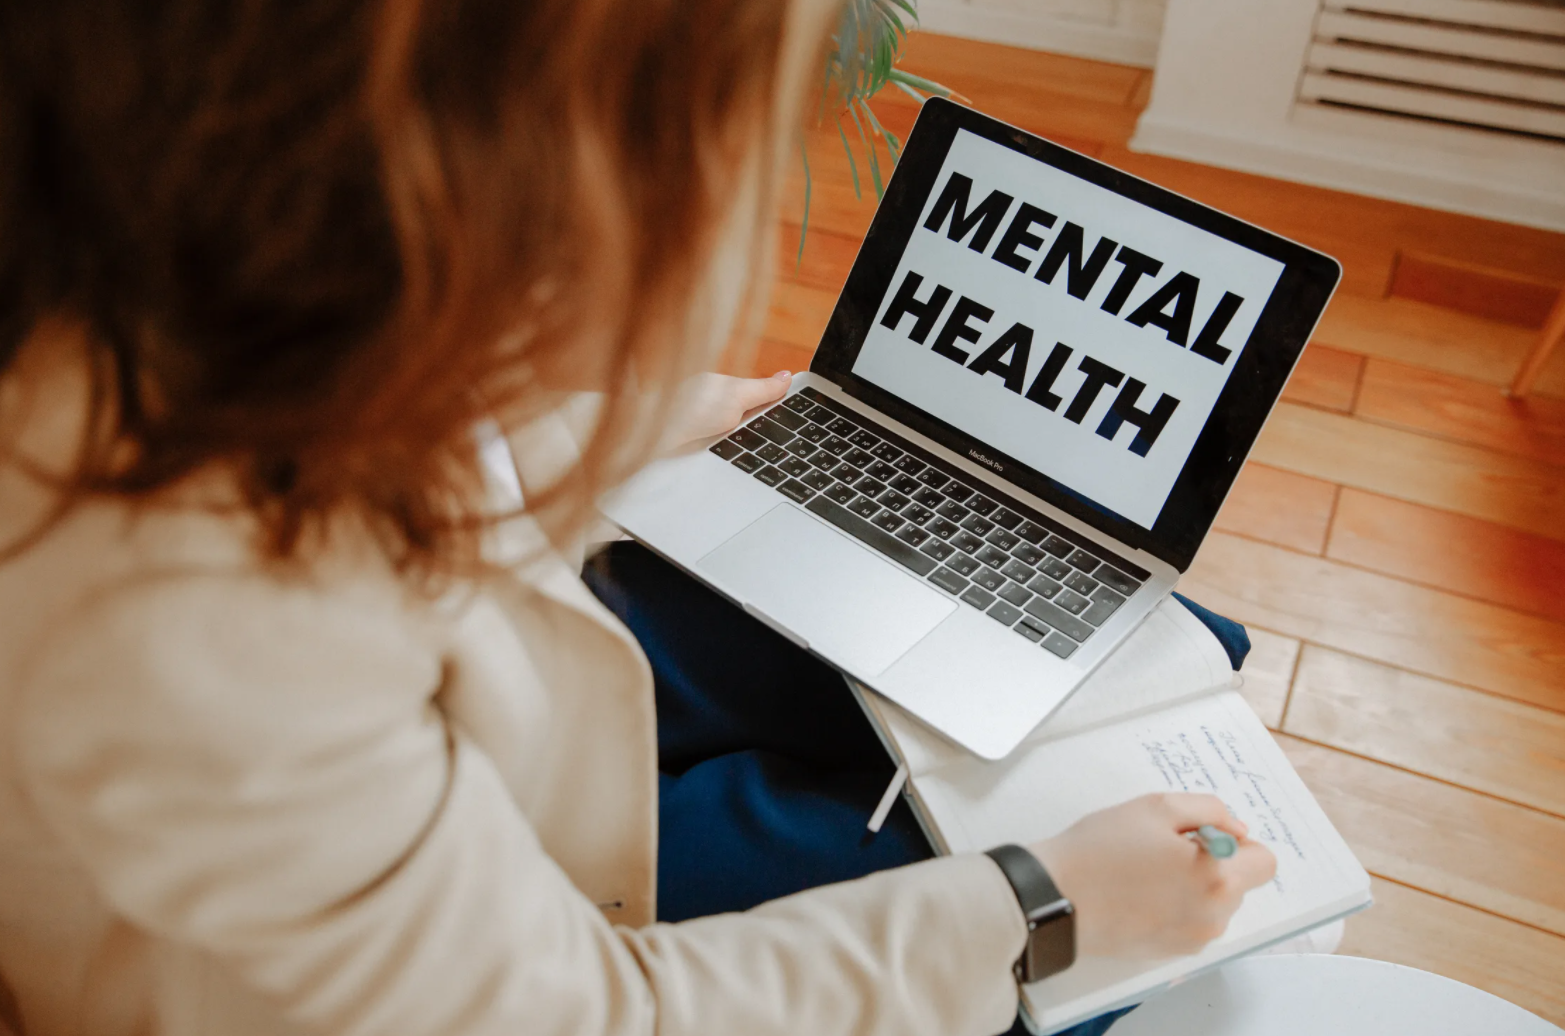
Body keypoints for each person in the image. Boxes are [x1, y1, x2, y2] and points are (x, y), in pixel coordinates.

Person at [0, 1, 1277, 1034]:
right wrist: (1034, 906)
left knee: (1178, 639)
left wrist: (618, 414)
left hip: (462, 671)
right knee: (1099, 941)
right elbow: (582, 1014)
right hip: (460, 880)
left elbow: (381, 435)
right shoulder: (191, 612)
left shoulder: (173, 270)